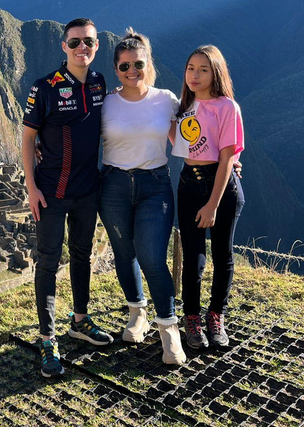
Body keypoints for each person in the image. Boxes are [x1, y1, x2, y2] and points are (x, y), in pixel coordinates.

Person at [22, 18, 110, 378]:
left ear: (96, 45)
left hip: (87, 190)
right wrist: (31, 188)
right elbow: (28, 139)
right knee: (47, 262)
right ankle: (47, 339)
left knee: (82, 254)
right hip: (51, 193)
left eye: (87, 42)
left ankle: (80, 320)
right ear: (64, 46)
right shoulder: (44, 88)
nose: (81, 49)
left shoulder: (100, 83)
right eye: (74, 43)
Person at [97, 28, 187, 365]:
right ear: (116, 69)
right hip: (114, 185)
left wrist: (230, 158)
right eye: (124, 67)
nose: (132, 72)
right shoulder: (106, 103)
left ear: (148, 64)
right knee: (124, 253)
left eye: (138, 64)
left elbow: (193, 135)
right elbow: (76, 134)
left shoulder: (166, 100)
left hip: (154, 185)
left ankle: (168, 329)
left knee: (151, 257)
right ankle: (137, 312)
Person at [172, 45, 244, 350]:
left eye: (203, 69)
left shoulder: (228, 107)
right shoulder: (181, 107)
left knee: (223, 255)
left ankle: (216, 315)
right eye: (190, 68)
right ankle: (192, 318)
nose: (195, 75)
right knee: (193, 258)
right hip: (189, 184)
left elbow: (228, 156)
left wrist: (212, 204)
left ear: (216, 72)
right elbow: (177, 140)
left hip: (221, 186)